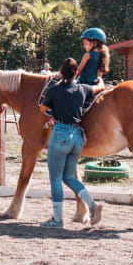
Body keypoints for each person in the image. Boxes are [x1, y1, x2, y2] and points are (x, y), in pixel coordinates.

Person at [39, 58, 105, 228]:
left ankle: (57, 219)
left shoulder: (54, 89)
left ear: (61, 72)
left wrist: (55, 112)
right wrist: (100, 78)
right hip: (77, 136)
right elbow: (101, 88)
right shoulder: (83, 88)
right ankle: (93, 205)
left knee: (55, 179)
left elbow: (42, 108)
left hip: (60, 134)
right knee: (68, 177)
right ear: (77, 73)